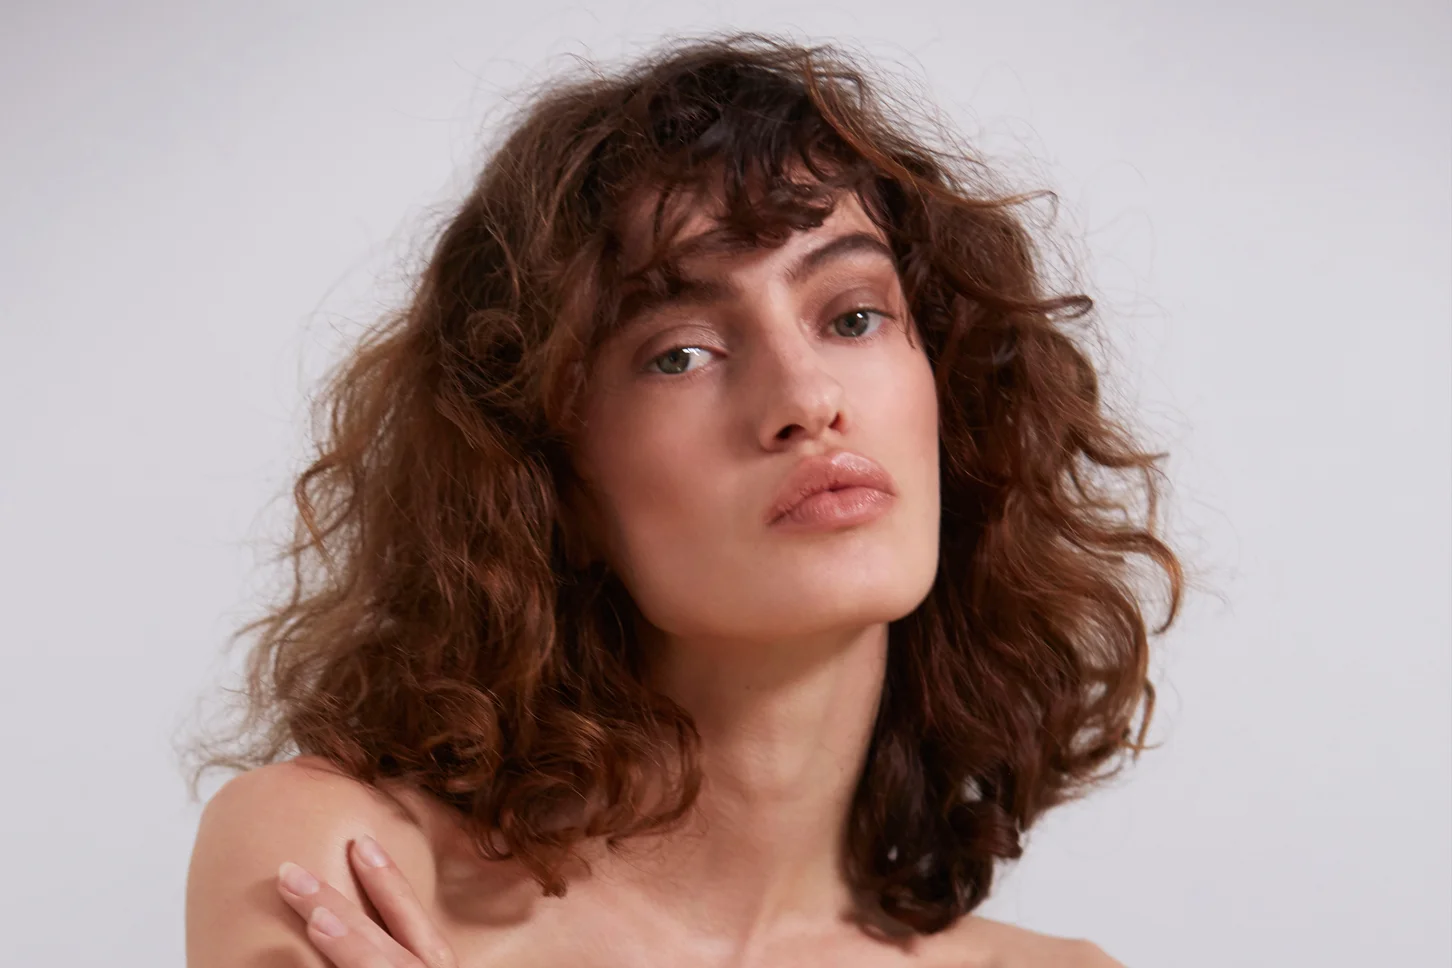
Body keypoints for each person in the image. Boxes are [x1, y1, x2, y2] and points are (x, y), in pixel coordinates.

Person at [183, 32, 1182, 967]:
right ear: (550, 483)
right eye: (681, 353)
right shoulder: (343, 860)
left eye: (853, 317)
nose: (806, 401)